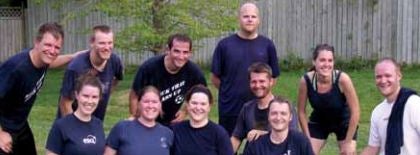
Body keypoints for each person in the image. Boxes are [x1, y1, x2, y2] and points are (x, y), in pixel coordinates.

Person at [0, 22, 79, 154]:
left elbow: (52, 61)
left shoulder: (42, 60)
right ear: (37, 43)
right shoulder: (16, 68)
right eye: (48, 45)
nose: (52, 51)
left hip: (20, 125)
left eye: (57, 47)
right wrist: (1, 134)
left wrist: (73, 57)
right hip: (4, 127)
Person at [211, 2, 280, 135]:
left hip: (259, 109)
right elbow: (215, 78)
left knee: (260, 147)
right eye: (246, 16)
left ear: (258, 20)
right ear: (239, 19)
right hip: (230, 108)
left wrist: (260, 93)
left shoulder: (267, 45)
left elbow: (273, 77)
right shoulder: (224, 45)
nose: (249, 19)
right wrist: (230, 91)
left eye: (253, 17)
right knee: (228, 149)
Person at [129, 33, 206, 126]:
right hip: (149, 120)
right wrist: (135, 119)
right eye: (176, 51)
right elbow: (134, 94)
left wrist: (185, 111)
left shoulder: (194, 72)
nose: (181, 56)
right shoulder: (149, 68)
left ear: (190, 53)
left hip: (173, 122)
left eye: (185, 52)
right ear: (168, 50)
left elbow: (203, 94)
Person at [297, 44, 360, 155]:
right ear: (314, 62)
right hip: (320, 120)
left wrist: (348, 141)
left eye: (330, 60)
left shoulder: (343, 79)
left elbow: (355, 111)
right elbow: (301, 112)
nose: (326, 64)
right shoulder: (306, 81)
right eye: (322, 60)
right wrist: (307, 139)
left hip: (343, 121)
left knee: (348, 152)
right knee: (307, 152)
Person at [58, 25, 123, 121]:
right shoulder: (76, 68)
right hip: (71, 122)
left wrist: (105, 94)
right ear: (92, 43)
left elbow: (118, 78)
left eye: (110, 43)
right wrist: (73, 129)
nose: (107, 47)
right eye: (102, 43)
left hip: (96, 122)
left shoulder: (115, 61)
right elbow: (65, 103)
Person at [231, 62, 298, 153]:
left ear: (271, 82)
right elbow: (236, 138)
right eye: (254, 82)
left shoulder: (284, 107)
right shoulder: (247, 109)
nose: (257, 85)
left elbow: (292, 138)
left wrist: (263, 135)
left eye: (262, 81)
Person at [361, 58, 420, 155]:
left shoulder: (414, 104)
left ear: (399, 76)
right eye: (378, 77)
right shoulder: (377, 112)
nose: (383, 80)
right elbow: (373, 148)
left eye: (388, 76)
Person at [46, 74, 105, 155]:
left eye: (94, 97)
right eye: (85, 96)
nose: (89, 101)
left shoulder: (98, 124)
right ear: (77, 95)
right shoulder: (61, 126)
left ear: (99, 98)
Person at [104, 86, 173, 155]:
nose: (150, 105)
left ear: (160, 105)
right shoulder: (122, 128)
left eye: (154, 102)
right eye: (146, 101)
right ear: (139, 104)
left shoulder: (167, 133)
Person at [172, 85, 233, 155]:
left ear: (209, 107)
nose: (198, 107)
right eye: (194, 103)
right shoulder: (176, 130)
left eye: (203, 104)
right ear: (187, 105)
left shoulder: (219, 134)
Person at [243, 97, 314, 155]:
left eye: (283, 113)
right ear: (268, 116)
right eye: (274, 113)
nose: (278, 118)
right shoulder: (256, 145)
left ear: (290, 117)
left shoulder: (300, 141)